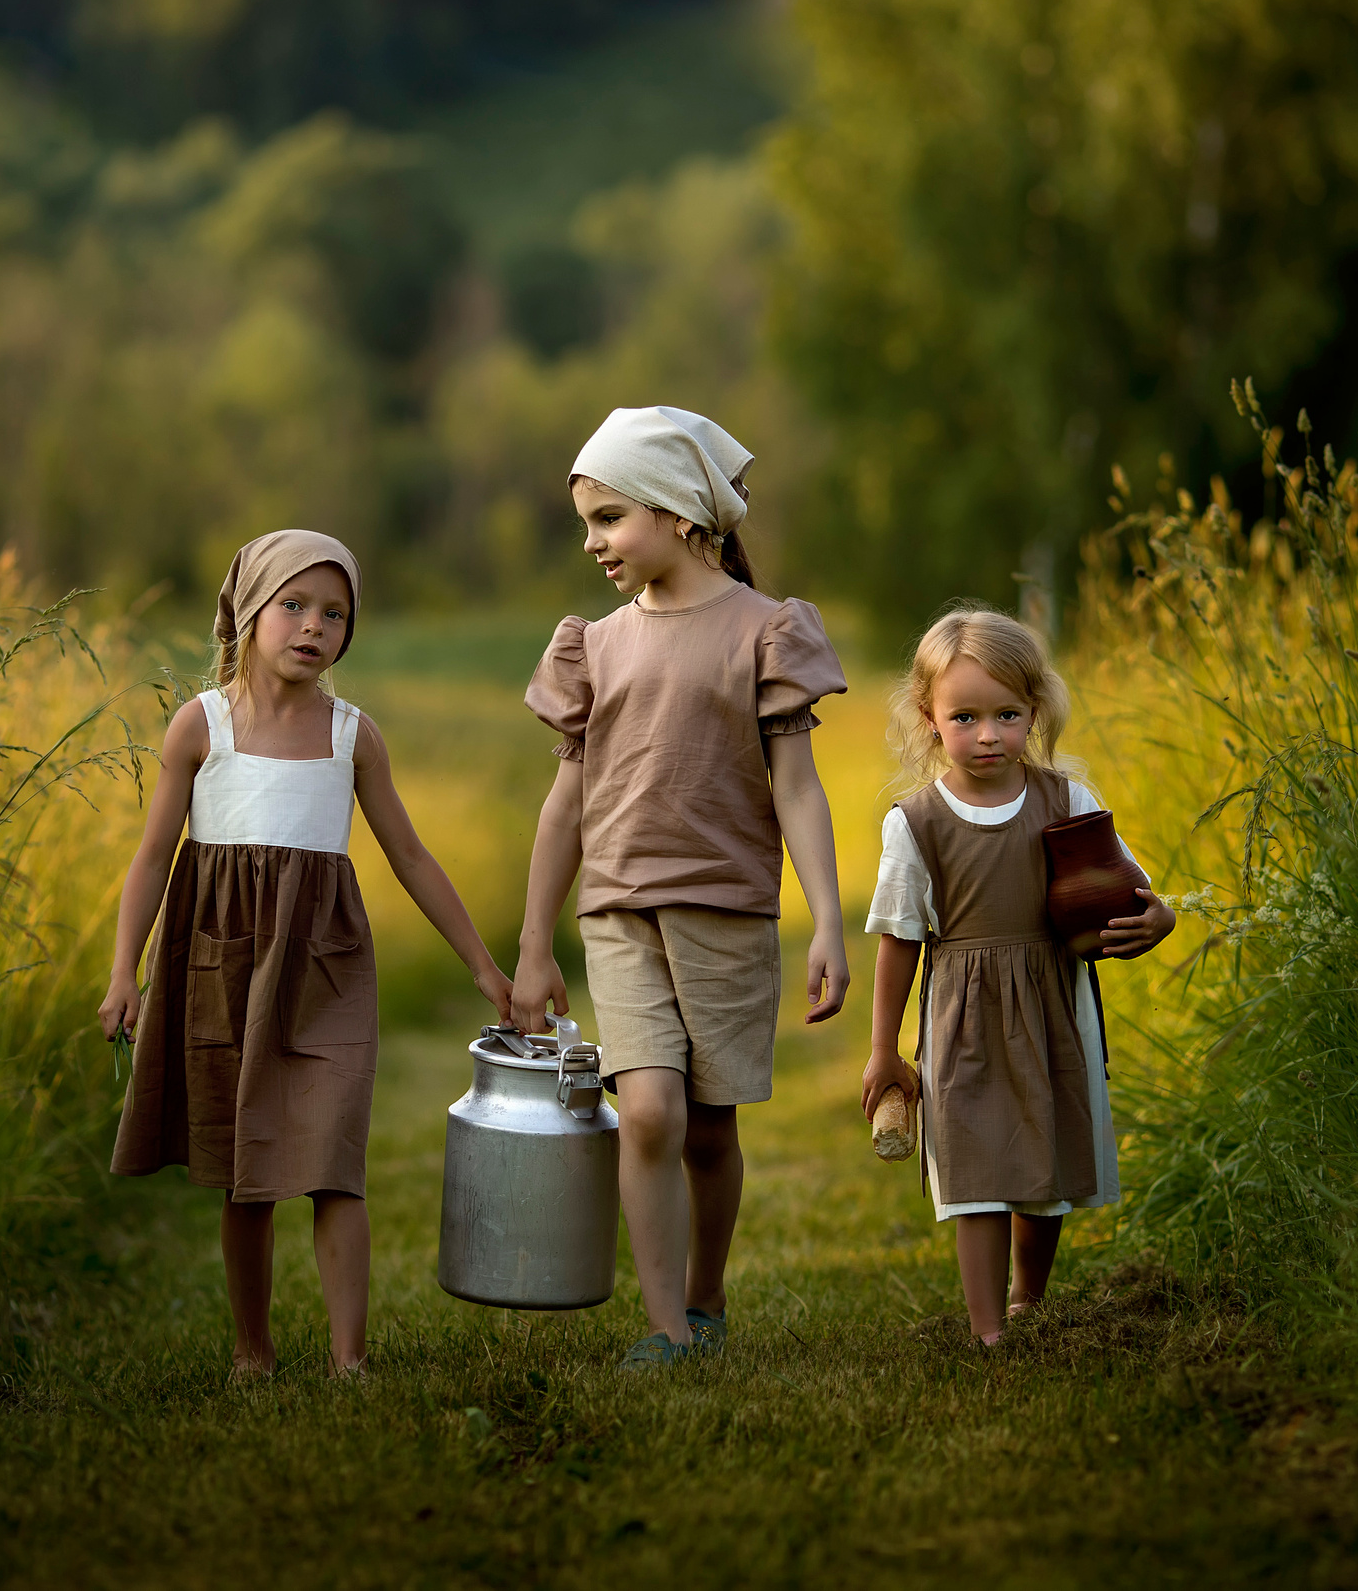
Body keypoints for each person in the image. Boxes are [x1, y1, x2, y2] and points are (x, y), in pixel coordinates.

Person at [99, 530, 512, 1376]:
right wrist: (123, 972)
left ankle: (348, 1357)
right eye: (293, 605)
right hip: (223, 964)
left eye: (334, 612)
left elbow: (411, 856)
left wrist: (483, 964)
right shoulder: (199, 726)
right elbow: (150, 857)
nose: (312, 626)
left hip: (325, 970)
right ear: (250, 612)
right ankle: (253, 1350)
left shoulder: (352, 736)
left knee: (333, 1162)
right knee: (245, 1169)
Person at [512, 406, 852, 1369]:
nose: (594, 543)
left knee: (709, 1129)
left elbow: (798, 789)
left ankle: (706, 1297)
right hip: (618, 909)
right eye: (589, 522)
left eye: (610, 518)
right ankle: (664, 1328)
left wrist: (827, 920)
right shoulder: (595, 644)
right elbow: (562, 806)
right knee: (651, 1108)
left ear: (678, 513)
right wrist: (536, 945)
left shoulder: (765, 632)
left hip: (730, 910)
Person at [860, 607, 1174, 1345]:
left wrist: (1158, 921)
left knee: (1043, 1161)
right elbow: (900, 940)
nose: (989, 733)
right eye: (965, 715)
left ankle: (1030, 1293)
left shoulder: (1067, 801)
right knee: (975, 1173)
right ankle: (988, 1329)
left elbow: (1135, 891)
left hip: (1051, 1005)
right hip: (961, 1018)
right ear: (930, 718)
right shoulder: (916, 823)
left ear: (1035, 710)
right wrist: (882, 1047)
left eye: (1007, 713)